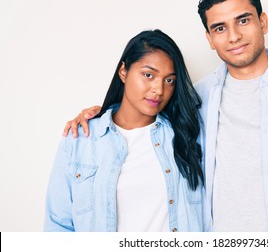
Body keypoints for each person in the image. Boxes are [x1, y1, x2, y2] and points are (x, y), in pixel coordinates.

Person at [63, 0, 268, 232]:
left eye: (243, 20)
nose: (234, 36)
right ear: (210, 39)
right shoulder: (195, 98)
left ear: (262, 21)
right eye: (220, 28)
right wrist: (98, 114)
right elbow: (141, 114)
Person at [45, 29, 204, 232]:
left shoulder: (188, 133)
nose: (159, 89)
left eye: (169, 80)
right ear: (123, 72)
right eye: (148, 75)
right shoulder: (80, 140)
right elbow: (58, 225)